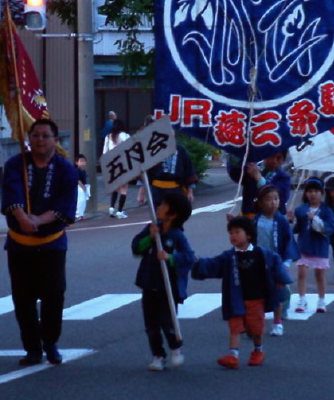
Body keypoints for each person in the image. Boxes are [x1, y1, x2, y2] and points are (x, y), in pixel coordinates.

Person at [1, 119, 78, 366]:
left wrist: (38, 220)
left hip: (52, 244)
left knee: (54, 295)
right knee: (23, 298)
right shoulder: (15, 164)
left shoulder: (66, 169)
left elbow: (65, 205)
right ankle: (32, 348)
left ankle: (51, 342)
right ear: (29, 138)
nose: (40, 140)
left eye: (45, 136)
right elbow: (11, 195)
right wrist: (22, 217)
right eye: (35, 135)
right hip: (19, 243)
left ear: (56, 140)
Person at [191, 216, 292, 369]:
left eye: (237, 232)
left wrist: (280, 279)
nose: (233, 236)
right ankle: (233, 355)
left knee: (256, 327)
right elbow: (214, 264)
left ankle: (258, 350)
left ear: (249, 235)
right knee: (235, 324)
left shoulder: (262, 253)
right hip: (236, 297)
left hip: (256, 297)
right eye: (231, 233)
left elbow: (276, 262)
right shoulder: (228, 256)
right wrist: (199, 262)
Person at [131, 192, 195, 371]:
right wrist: (149, 237)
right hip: (149, 283)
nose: (158, 207)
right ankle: (157, 354)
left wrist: (171, 258)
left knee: (168, 321)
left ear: (173, 215)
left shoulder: (177, 236)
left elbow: (189, 257)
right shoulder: (152, 228)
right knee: (150, 324)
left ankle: (175, 346)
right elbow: (136, 247)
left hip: (168, 287)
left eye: (164, 205)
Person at [253, 185, 299, 336]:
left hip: (276, 262)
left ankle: (278, 322)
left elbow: (288, 241)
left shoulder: (281, 221)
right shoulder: (255, 221)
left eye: (276, 199)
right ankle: (255, 323)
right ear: (260, 202)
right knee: (257, 293)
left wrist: (286, 262)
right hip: (259, 262)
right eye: (268, 199)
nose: (273, 203)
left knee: (279, 291)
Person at [289, 177, 334, 314]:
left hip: (320, 247)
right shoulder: (301, 209)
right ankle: (302, 299)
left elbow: (330, 227)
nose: (313, 194)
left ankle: (321, 300)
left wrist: (315, 220)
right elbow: (298, 228)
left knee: (319, 275)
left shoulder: (327, 210)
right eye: (310, 191)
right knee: (302, 273)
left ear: (321, 193)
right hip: (304, 245)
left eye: (316, 191)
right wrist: (290, 221)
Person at [227, 151, 291, 219]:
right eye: (271, 156)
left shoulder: (284, 177)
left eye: (279, 158)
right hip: (250, 217)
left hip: (273, 219)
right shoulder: (252, 168)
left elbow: (281, 198)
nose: (274, 161)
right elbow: (235, 173)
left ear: (283, 160)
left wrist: (259, 178)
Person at [103, 119, 131, 218]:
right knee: (123, 188)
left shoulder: (108, 137)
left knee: (115, 186)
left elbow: (104, 153)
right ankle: (119, 211)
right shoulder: (126, 136)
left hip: (112, 165)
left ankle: (111, 208)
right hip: (123, 164)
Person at [74, 154, 89, 221]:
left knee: (83, 201)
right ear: (77, 162)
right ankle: (78, 215)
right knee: (81, 200)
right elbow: (78, 180)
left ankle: (81, 214)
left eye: (84, 161)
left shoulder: (83, 170)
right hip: (79, 187)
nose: (83, 163)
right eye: (81, 161)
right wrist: (82, 186)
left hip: (84, 186)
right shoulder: (77, 170)